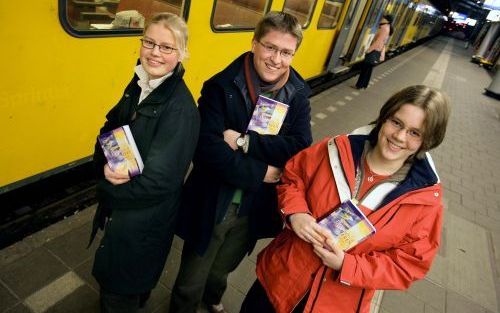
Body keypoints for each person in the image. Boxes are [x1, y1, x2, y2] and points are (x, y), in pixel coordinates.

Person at [241, 85, 451, 313]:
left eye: (415, 133)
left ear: (428, 140)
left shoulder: (425, 201)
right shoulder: (334, 149)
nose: (399, 137)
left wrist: (347, 266)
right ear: (384, 118)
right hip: (279, 281)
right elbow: (293, 176)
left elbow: (408, 263)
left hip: (335, 304)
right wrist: (296, 212)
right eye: (396, 122)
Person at [171, 11, 313, 313]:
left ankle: (212, 297)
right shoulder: (221, 87)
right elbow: (207, 150)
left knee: (224, 265)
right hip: (214, 200)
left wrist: (244, 142)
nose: (276, 59)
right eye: (270, 47)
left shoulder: (298, 95)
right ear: (254, 44)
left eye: (286, 52)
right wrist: (262, 170)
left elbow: (300, 147)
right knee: (191, 277)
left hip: (254, 206)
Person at [89, 13, 200, 313]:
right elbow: (109, 130)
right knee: (125, 288)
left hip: (143, 224)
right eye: (149, 42)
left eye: (167, 47)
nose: (155, 52)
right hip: (126, 218)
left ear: (182, 54)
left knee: (119, 293)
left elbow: (158, 183)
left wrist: (105, 190)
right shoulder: (140, 82)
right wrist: (104, 164)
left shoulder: (180, 110)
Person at [354, 14, 394, 89]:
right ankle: (364, 85)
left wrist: (369, 50)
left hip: (375, 50)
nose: (382, 18)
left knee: (365, 68)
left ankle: (359, 85)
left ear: (387, 20)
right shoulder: (387, 27)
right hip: (377, 50)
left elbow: (378, 41)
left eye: (384, 18)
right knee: (368, 69)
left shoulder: (384, 28)